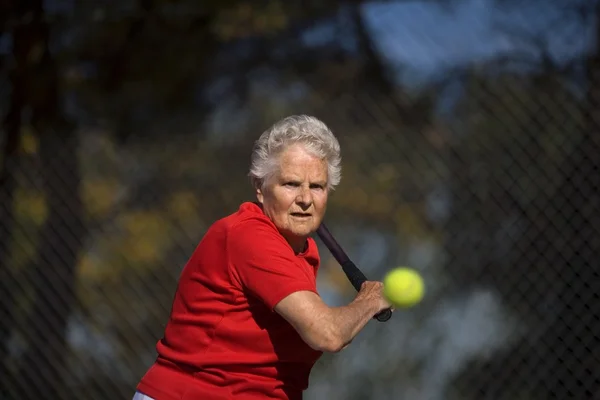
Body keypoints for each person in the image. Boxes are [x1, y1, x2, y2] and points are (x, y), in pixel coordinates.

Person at [133, 115, 391, 400]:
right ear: (259, 187)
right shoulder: (249, 237)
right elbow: (327, 333)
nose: (305, 199)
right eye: (291, 184)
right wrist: (370, 300)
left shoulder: (303, 251)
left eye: (316, 186)